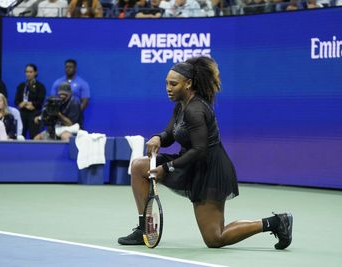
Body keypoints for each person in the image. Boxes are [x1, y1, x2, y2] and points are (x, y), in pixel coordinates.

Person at [118, 56, 293, 249]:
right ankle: (144, 229)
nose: (168, 88)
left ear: (188, 84)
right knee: (139, 166)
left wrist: (166, 168)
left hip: (209, 170)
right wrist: (159, 137)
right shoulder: (181, 105)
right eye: (166, 83)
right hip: (188, 162)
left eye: (173, 84)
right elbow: (170, 134)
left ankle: (276, 222)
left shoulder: (196, 110)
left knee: (215, 238)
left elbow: (200, 151)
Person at [15, 64, 47, 139]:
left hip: (34, 113)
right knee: (20, 135)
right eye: (27, 72)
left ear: (35, 73)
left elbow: (40, 101)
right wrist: (22, 104)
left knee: (34, 135)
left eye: (31, 72)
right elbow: (16, 101)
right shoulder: (21, 86)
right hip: (22, 112)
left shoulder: (40, 86)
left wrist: (31, 103)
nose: (28, 74)